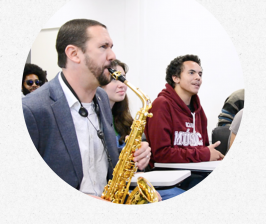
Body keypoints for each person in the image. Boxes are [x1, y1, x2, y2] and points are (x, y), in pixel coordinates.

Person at [22, 19, 151, 201]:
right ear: (74, 53)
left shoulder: (102, 98)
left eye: (111, 47)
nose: (112, 55)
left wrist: (134, 156)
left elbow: (101, 163)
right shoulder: (32, 109)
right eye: (103, 47)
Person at [102, 59, 183, 200]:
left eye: (123, 79)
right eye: (114, 79)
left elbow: (135, 168)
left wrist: (142, 156)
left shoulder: (126, 121)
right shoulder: (91, 121)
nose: (122, 85)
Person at [145, 54, 224, 190]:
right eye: (191, 73)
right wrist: (204, 153)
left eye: (200, 74)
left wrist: (210, 154)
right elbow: (161, 154)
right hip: (168, 178)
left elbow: (203, 147)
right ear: (175, 78)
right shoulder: (161, 105)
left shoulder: (199, 111)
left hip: (194, 174)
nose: (198, 77)